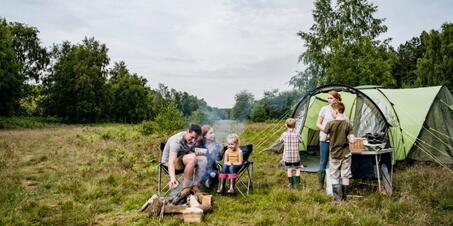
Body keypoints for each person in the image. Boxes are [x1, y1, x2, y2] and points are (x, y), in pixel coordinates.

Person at [323, 102, 356, 203]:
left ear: (336, 111)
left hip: (334, 154)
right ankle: (345, 198)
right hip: (346, 154)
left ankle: (336, 200)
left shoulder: (330, 124)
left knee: (334, 176)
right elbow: (352, 140)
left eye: (331, 111)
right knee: (345, 175)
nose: (331, 113)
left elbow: (324, 138)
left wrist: (329, 138)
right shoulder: (348, 124)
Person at [161, 124, 203, 190]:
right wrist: (173, 179)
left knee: (203, 157)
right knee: (193, 158)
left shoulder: (190, 139)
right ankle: (186, 187)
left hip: (182, 158)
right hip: (168, 164)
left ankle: (196, 185)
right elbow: (171, 162)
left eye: (196, 138)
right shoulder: (176, 141)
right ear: (187, 131)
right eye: (192, 137)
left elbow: (191, 150)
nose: (193, 141)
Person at [316, 90, 342, 190]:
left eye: (331, 98)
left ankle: (334, 185)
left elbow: (343, 123)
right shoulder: (324, 109)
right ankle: (320, 184)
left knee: (335, 161)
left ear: (336, 99)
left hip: (336, 140)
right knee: (323, 160)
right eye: (328, 98)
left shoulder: (340, 109)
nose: (329, 100)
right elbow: (318, 123)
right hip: (324, 138)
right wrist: (325, 131)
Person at [279, 118, 303, 188]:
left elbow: (280, 140)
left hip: (287, 157)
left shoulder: (284, 134)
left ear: (286, 125)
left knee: (289, 169)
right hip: (296, 157)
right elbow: (301, 141)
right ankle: (297, 184)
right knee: (297, 169)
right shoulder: (297, 134)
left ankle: (290, 183)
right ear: (295, 126)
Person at [200, 125, 222, 189]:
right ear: (205, 136)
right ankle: (207, 180)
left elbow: (219, 158)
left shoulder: (217, 145)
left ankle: (211, 179)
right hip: (202, 168)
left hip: (213, 167)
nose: (214, 134)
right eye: (211, 133)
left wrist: (222, 150)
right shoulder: (201, 145)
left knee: (215, 170)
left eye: (213, 132)